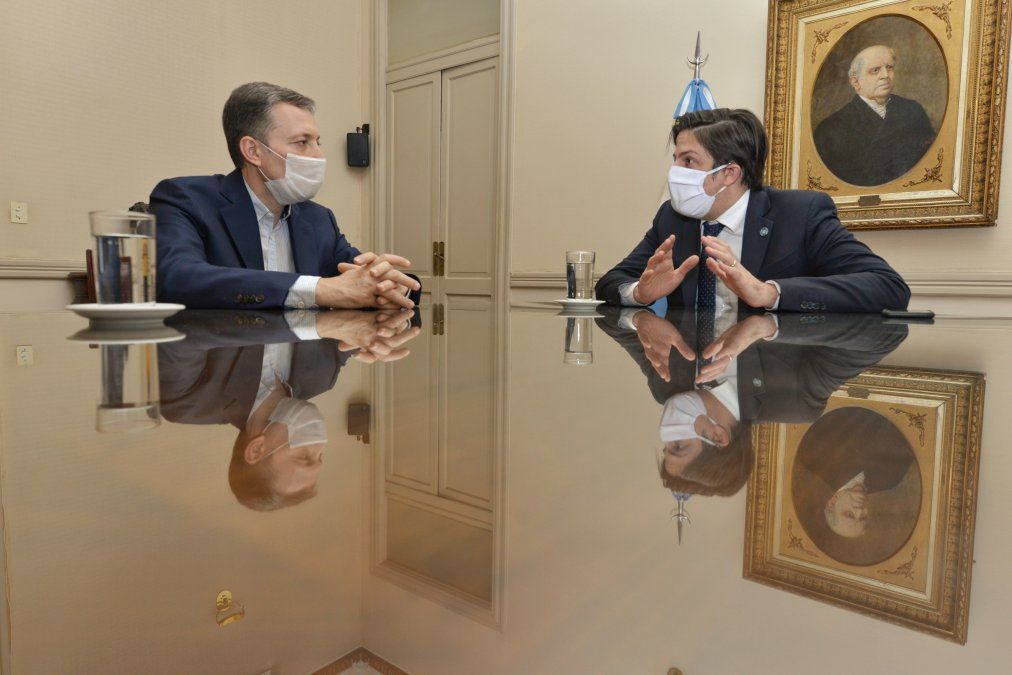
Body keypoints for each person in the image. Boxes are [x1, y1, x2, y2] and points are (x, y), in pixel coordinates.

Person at [595, 108, 910, 314]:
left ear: (729, 174)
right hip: (688, 384)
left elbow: (888, 287)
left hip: (763, 391)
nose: (675, 171)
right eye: (676, 158)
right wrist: (640, 292)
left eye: (689, 161)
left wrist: (770, 293)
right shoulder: (673, 218)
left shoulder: (800, 214)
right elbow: (611, 281)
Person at [151, 82, 420, 310]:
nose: (319, 155)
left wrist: (388, 287)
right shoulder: (186, 199)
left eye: (318, 142)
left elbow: (355, 279)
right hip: (222, 363)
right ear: (253, 151)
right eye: (302, 142)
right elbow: (176, 277)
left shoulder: (318, 219)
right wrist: (318, 290)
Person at [595, 306, 909, 498]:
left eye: (667, 446)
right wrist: (771, 327)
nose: (667, 433)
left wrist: (639, 319)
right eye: (678, 445)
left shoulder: (666, 386)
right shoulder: (794, 399)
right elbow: (886, 333)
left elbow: (607, 318)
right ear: (719, 437)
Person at [158, 308, 419, 510]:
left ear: (257, 449)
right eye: (320, 457)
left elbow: (182, 328)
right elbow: (369, 319)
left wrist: (314, 324)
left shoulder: (189, 401)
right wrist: (394, 326)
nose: (319, 444)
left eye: (305, 457)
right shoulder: (321, 377)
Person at [813, 45, 936, 186]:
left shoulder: (913, 110)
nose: (885, 75)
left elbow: (929, 163)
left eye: (889, 67)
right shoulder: (830, 129)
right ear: (856, 82)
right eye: (875, 70)